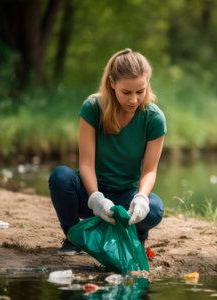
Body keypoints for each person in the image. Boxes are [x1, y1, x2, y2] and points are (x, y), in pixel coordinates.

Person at [49, 48, 166, 255]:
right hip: (90, 192)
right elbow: (86, 163)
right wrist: (96, 198)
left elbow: (149, 170)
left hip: (126, 196)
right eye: (126, 92)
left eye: (141, 91)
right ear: (112, 83)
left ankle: (136, 236)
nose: (134, 100)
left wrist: (141, 197)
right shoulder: (93, 108)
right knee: (60, 177)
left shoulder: (153, 118)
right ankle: (74, 237)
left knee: (154, 208)